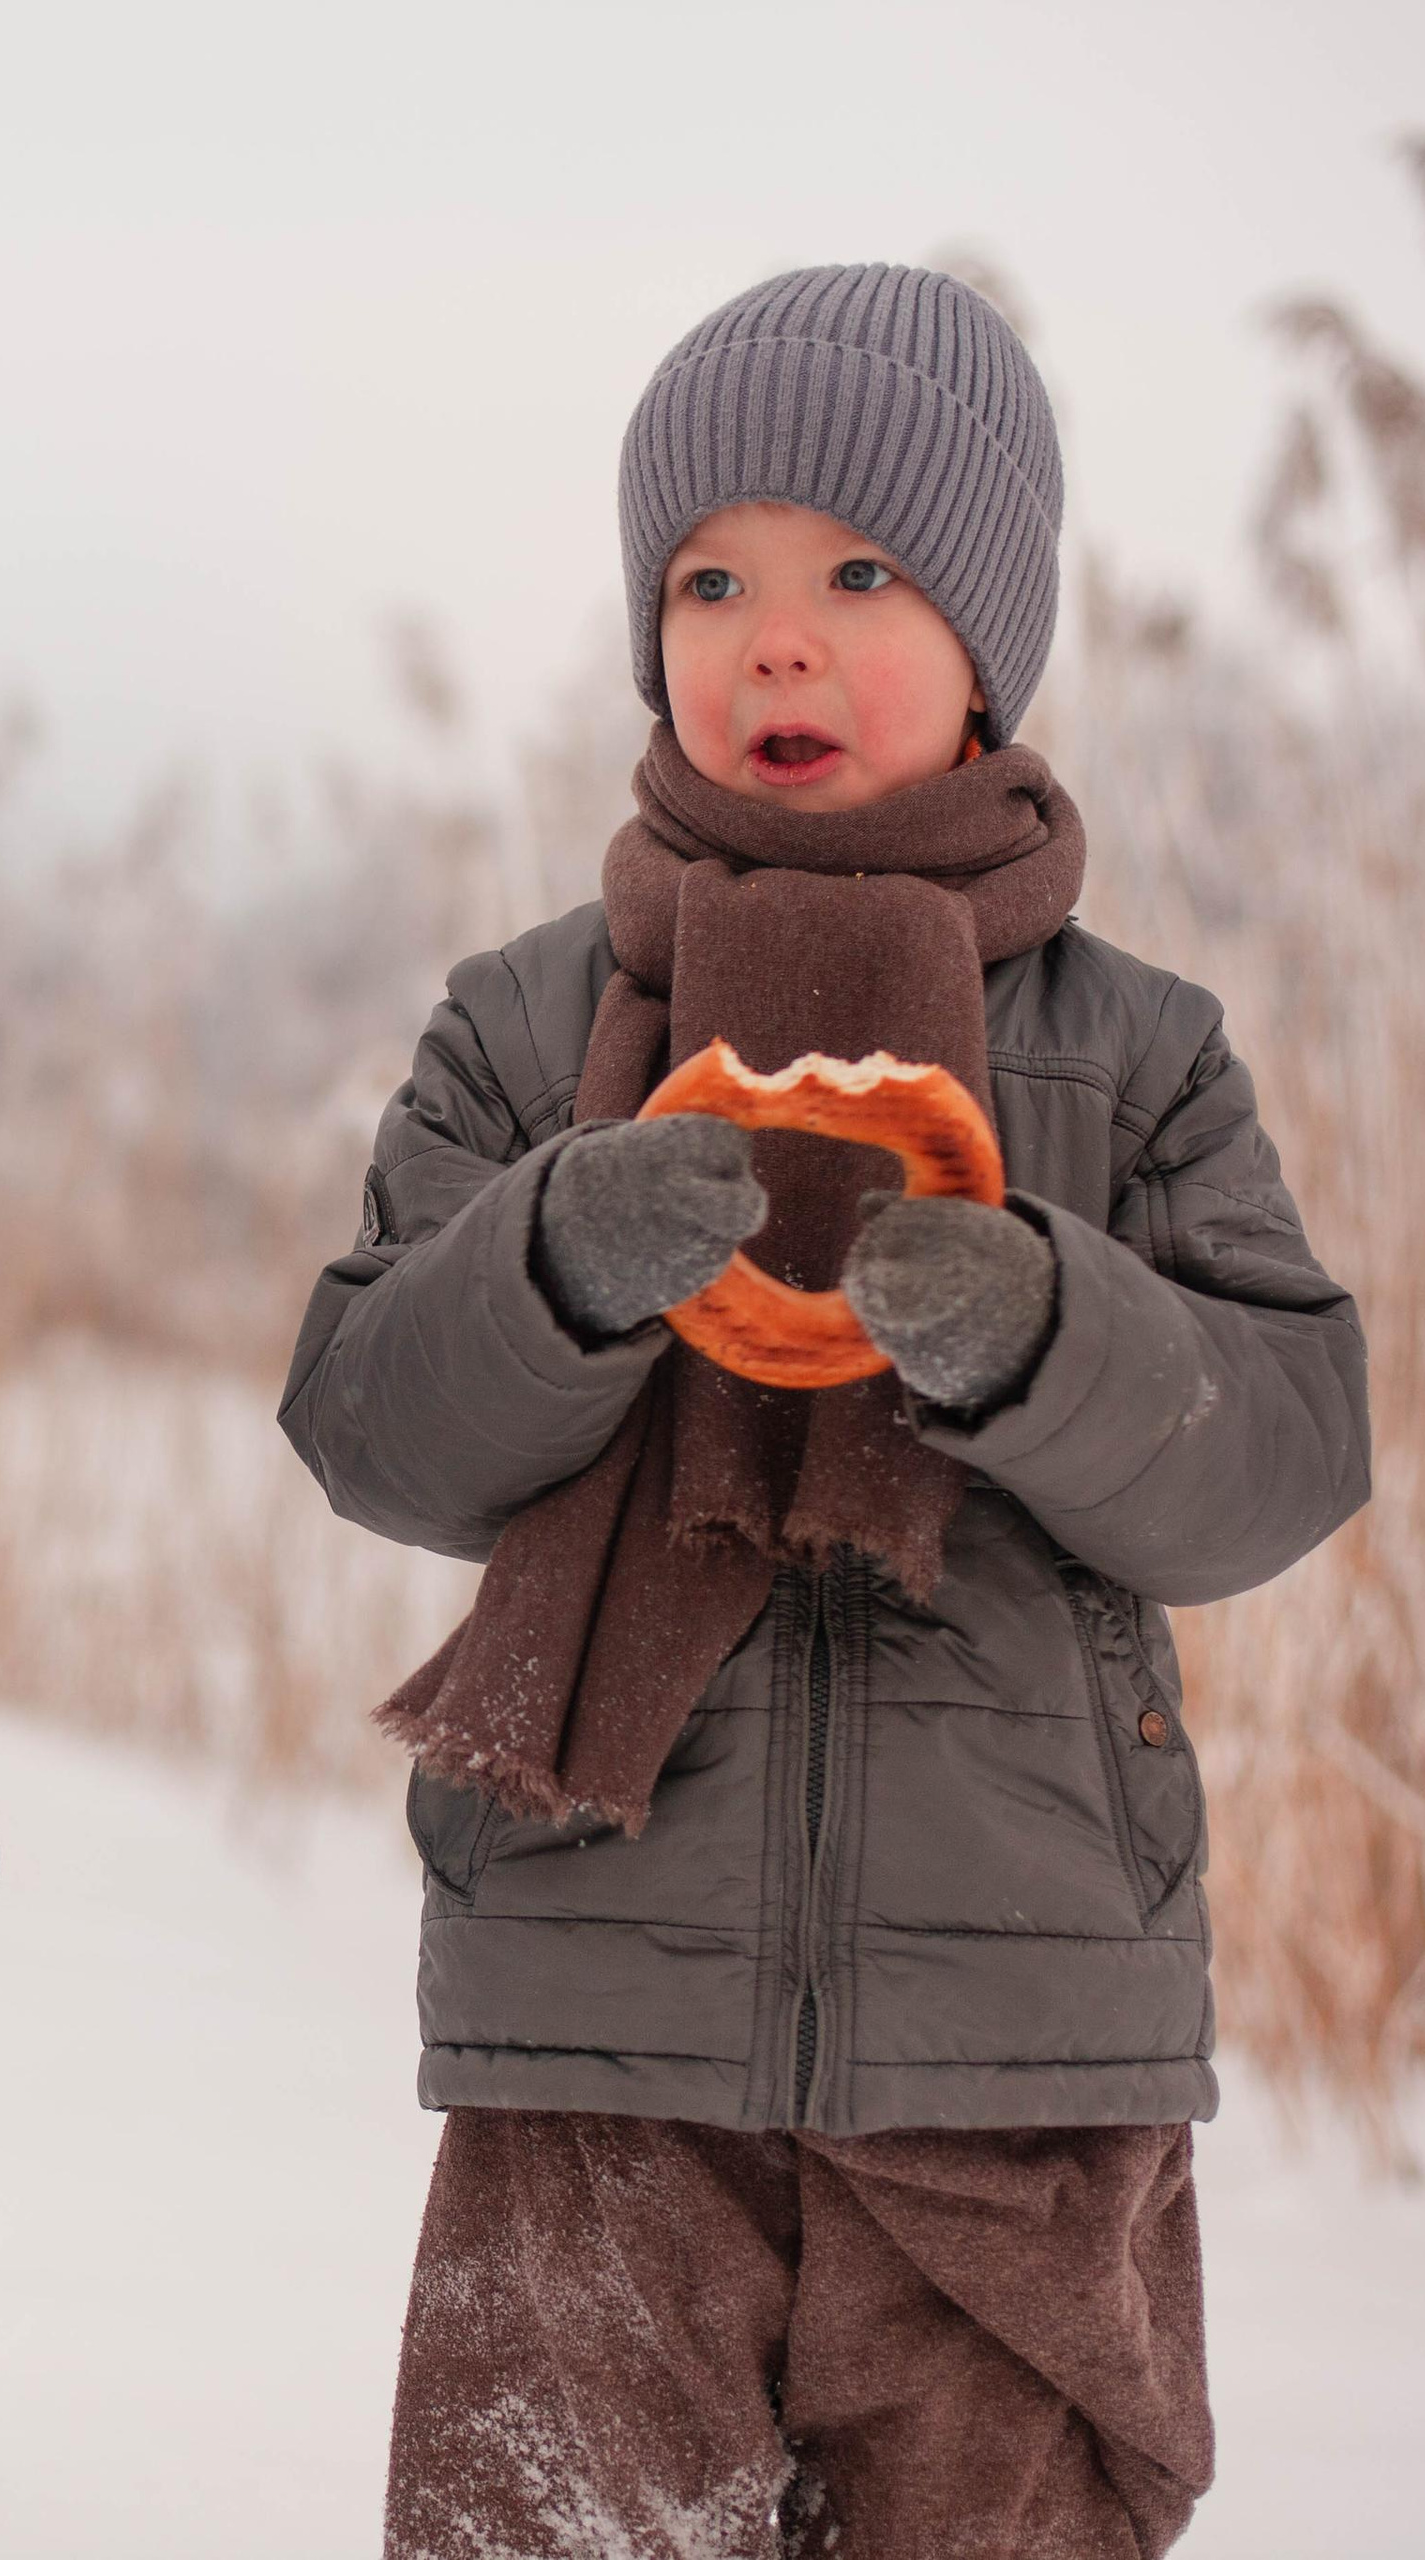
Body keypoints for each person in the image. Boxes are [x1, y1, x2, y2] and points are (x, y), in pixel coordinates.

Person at [279, 265, 1369, 2560]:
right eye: (709, 580)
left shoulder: (1128, 1053)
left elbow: (1279, 1447)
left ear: (986, 635)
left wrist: (1045, 1327)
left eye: (855, 572)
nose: (773, 636)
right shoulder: (522, 1023)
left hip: (1013, 2065)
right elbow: (371, 1418)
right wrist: (559, 1258)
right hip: (594, 2042)